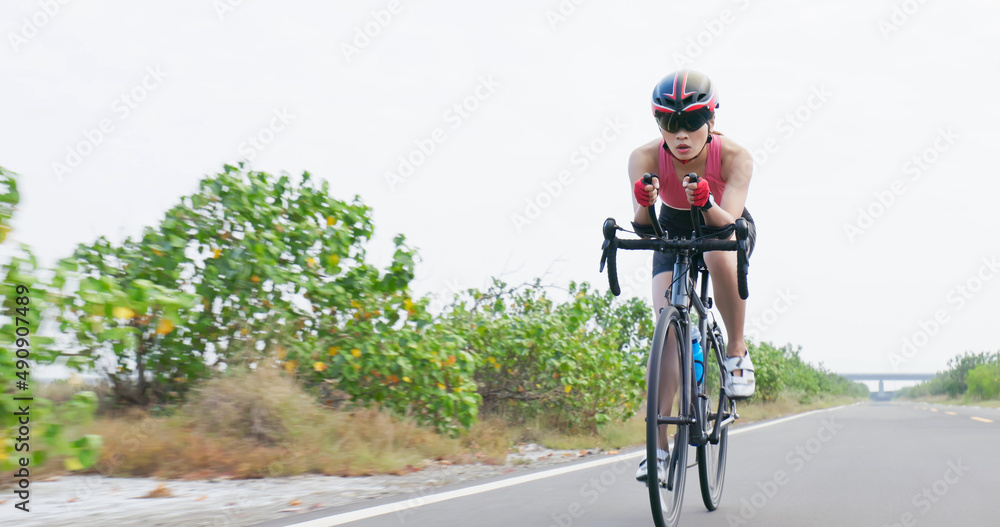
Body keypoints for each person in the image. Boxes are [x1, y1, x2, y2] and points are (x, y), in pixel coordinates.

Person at [630, 70, 758, 484]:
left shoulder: (736, 157)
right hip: (671, 225)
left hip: (721, 220)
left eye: (690, 123)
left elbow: (727, 225)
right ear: (659, 125)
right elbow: (645, 230)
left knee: (718, 254)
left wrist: (705, 200)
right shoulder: (645, 158)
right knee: (666, 325)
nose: (680, 134)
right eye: (669, 123)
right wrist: (643, 206)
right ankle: (659, 450)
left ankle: (736, 351)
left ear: (711, 122)